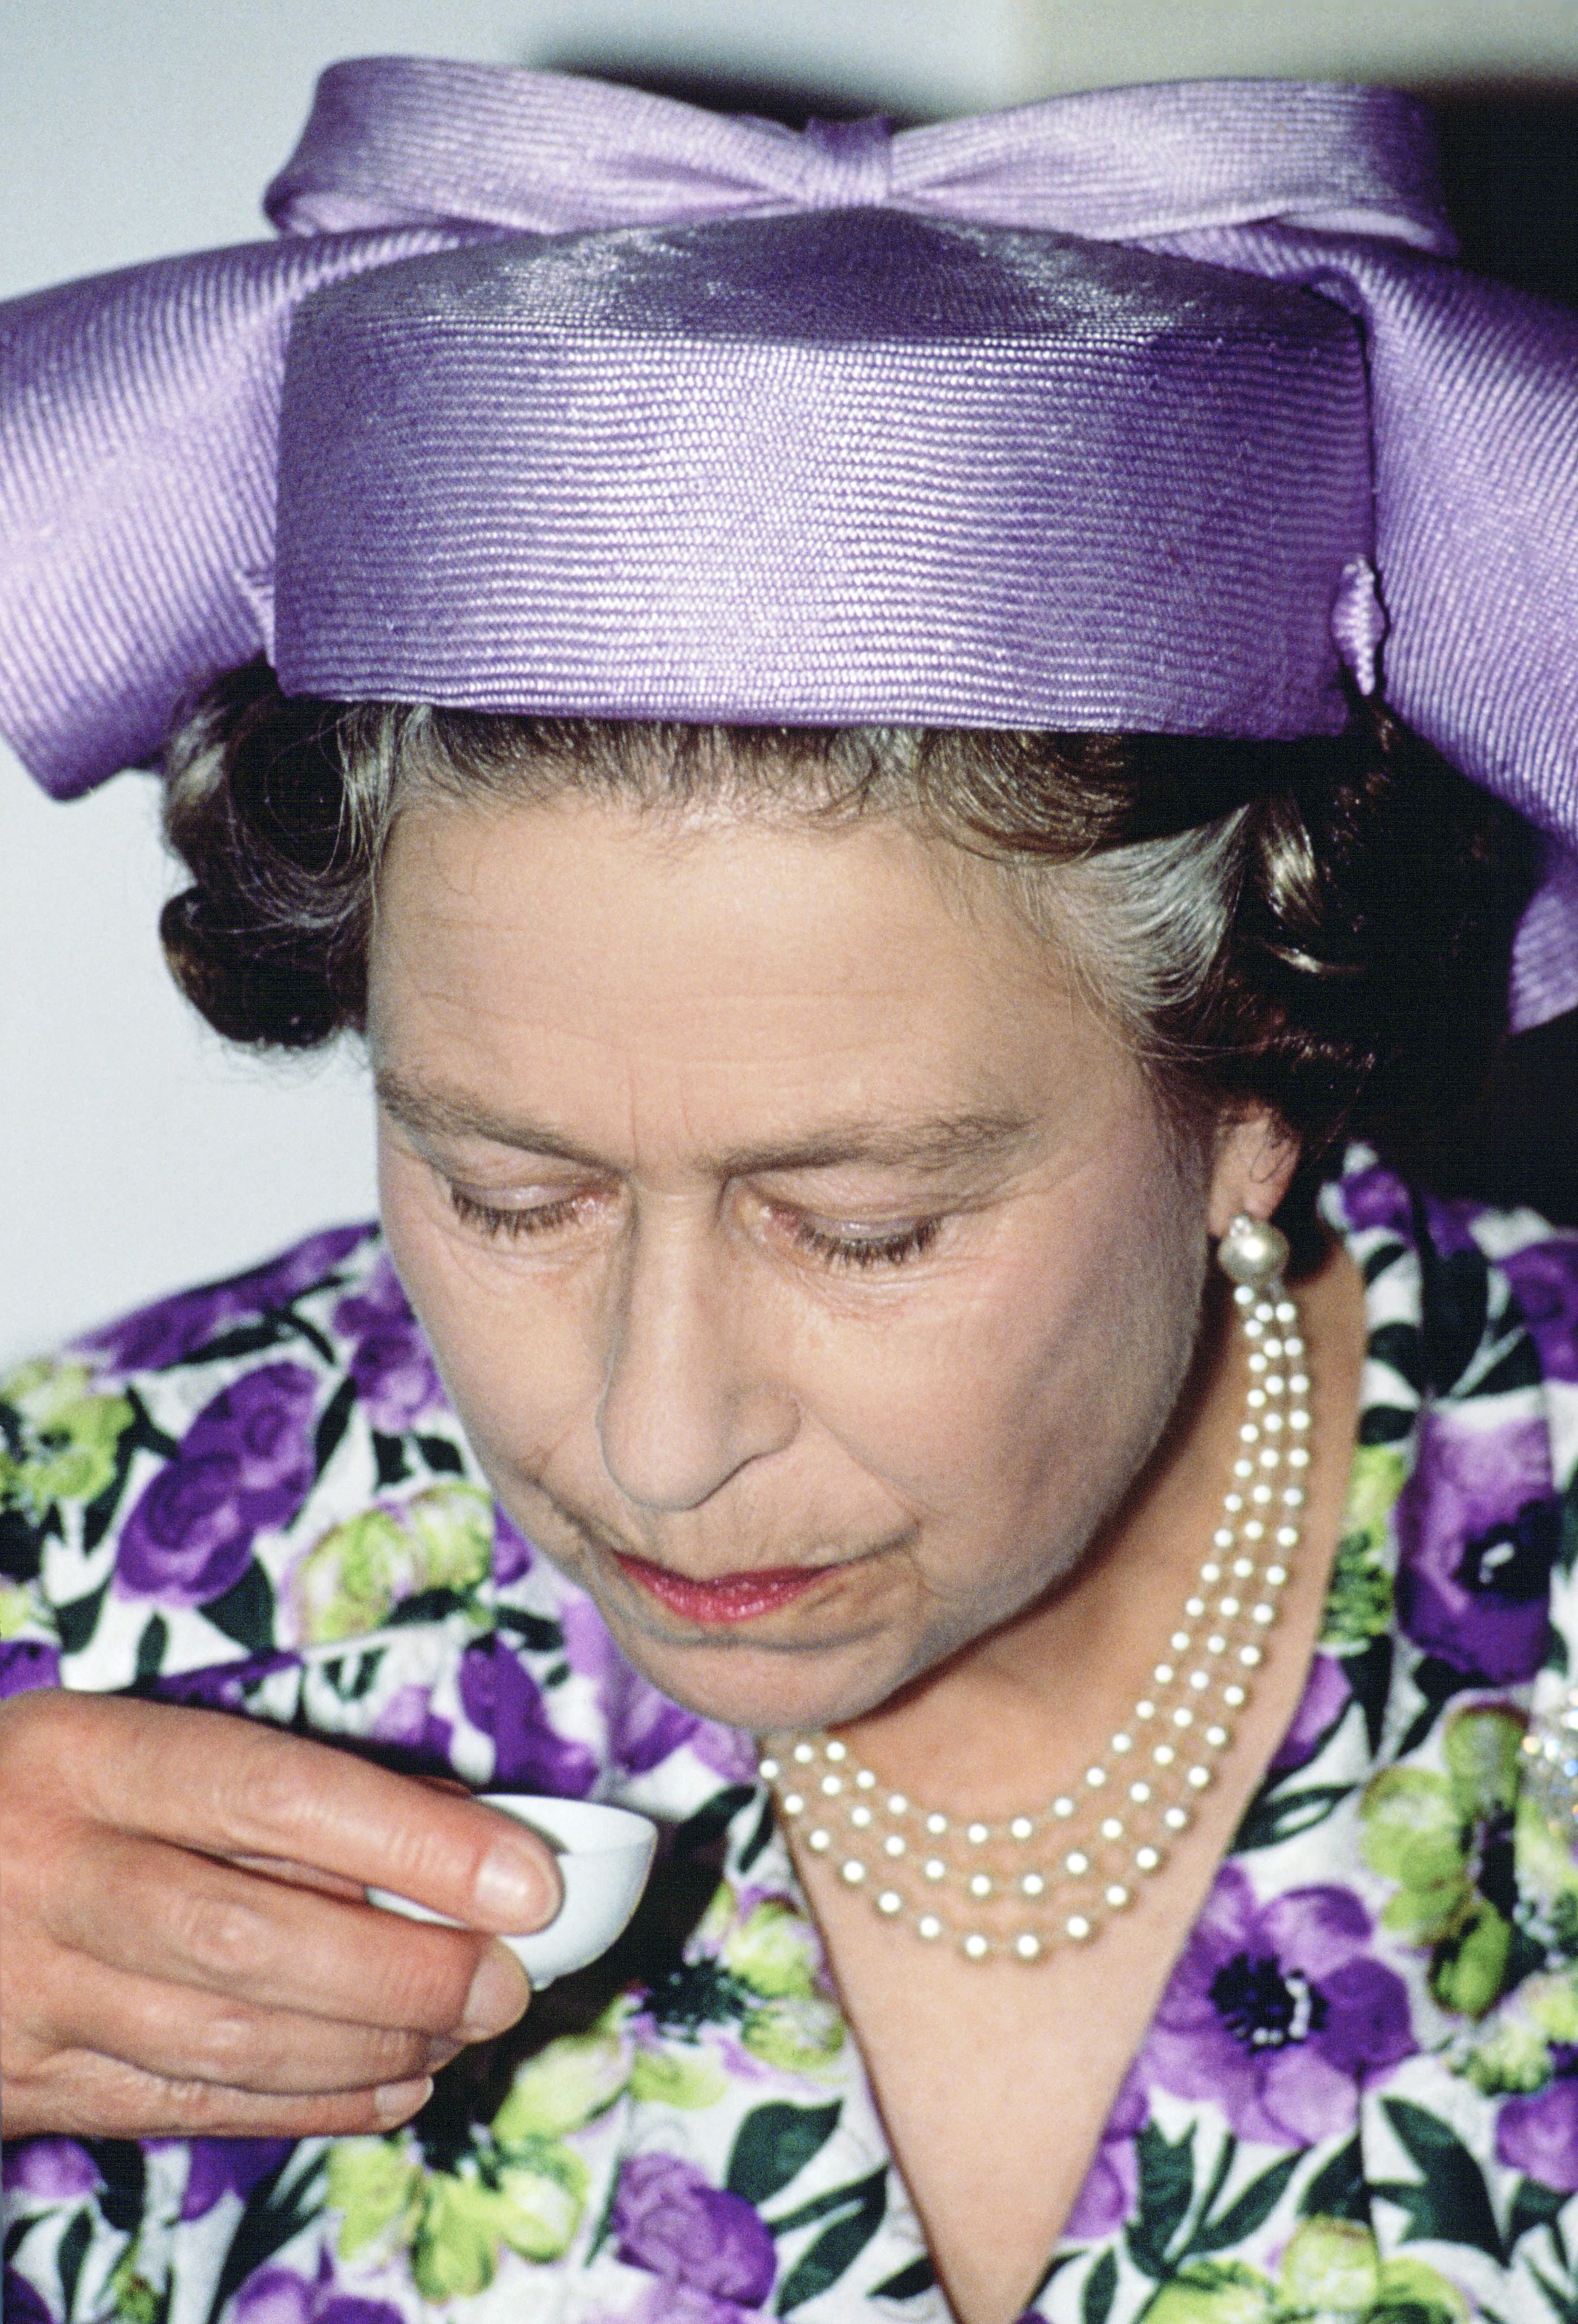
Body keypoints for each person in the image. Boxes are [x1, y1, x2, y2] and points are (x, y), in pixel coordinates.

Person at [5, 57, 1578, 2324]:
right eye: (507, 1188)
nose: (653, 1442)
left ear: (1252, 1084)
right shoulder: (80, 1597)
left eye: (862, 1227)